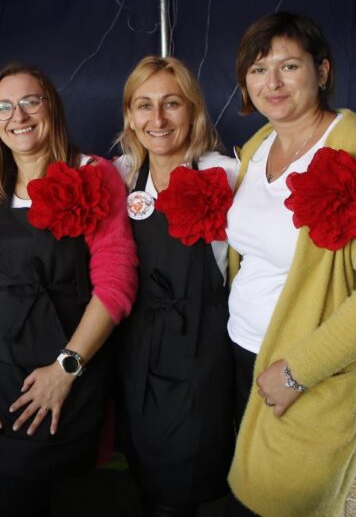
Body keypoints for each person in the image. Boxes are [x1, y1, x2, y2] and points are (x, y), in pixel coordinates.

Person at [224, 12, 356, 516]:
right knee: (244, 495)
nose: (272, 82)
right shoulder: (258, 146)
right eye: (258, 69)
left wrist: (297, 372)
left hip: (307, 369)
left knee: (287, 501)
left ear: (323, 71)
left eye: (289, 66)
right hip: (241, 351)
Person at [0, 63, 137, 517]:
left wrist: (65, 369)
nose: (18, 116)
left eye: (30, 101)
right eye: (4, 107)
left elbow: (116, 284)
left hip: (57, 376)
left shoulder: (94, 174)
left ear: (52, 106)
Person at [113, 55, 237, 516]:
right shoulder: (121, 175)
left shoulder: (227, 174)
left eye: (172, 103)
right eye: (144, 105)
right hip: (135, 346)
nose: (158, 119)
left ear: (193, 110)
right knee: (144, 464)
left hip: (197, 345)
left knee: (181, 477)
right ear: (130, 116)